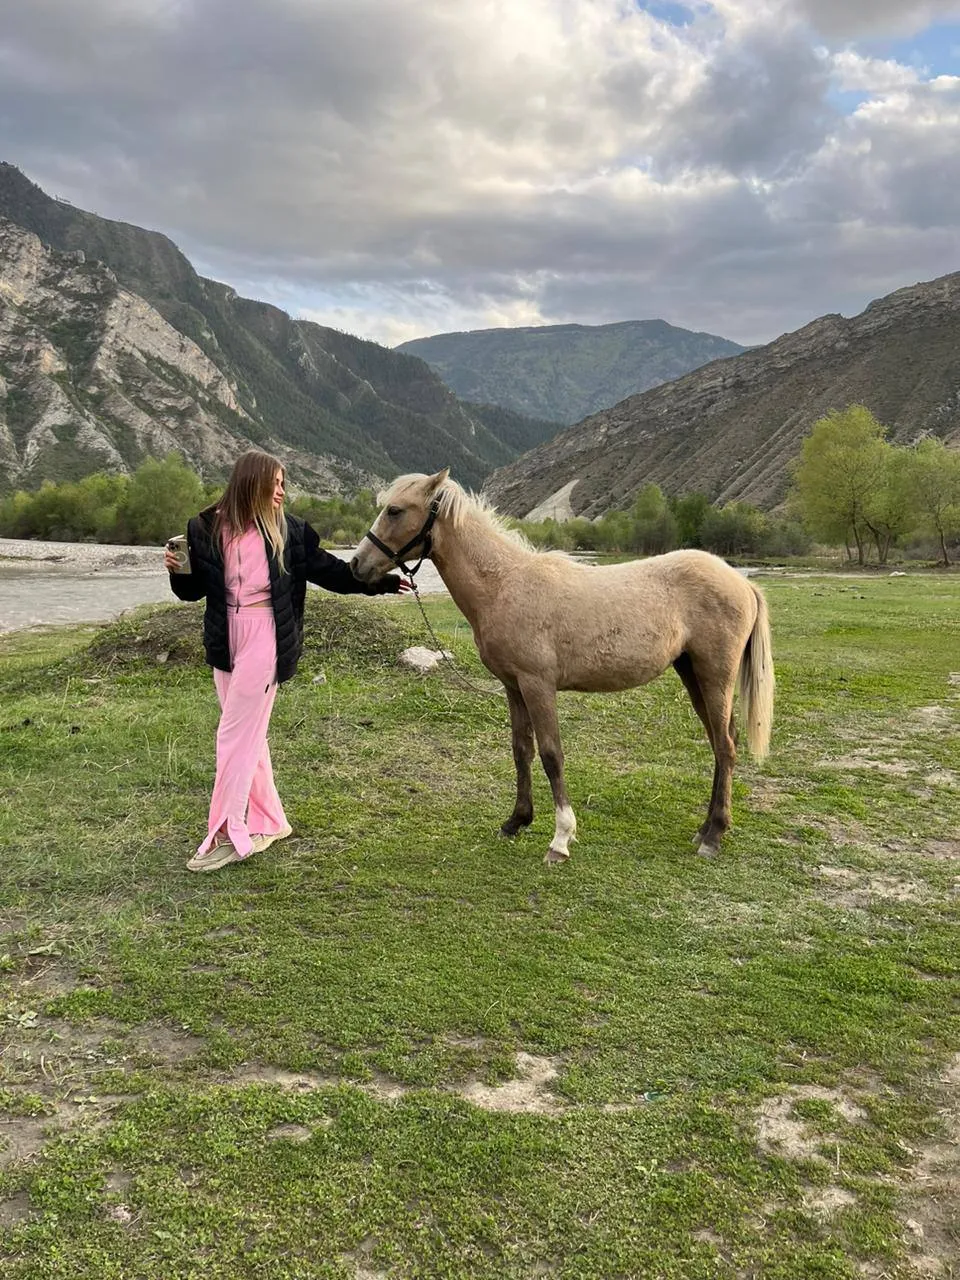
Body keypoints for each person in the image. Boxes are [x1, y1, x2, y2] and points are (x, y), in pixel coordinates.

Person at [165, 450, 412, 873]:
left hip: (266, 636)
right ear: (252, 482)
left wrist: (381, 583)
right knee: (248, 736)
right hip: (226, 638)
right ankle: (273, 822)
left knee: (232, 736)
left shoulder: (291, 533)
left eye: (283, 484)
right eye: (275, 483)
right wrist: (177, 571)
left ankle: (228, 830)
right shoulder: (204, 528)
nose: (281, 491)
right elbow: (192, 594)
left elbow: (333, 573)